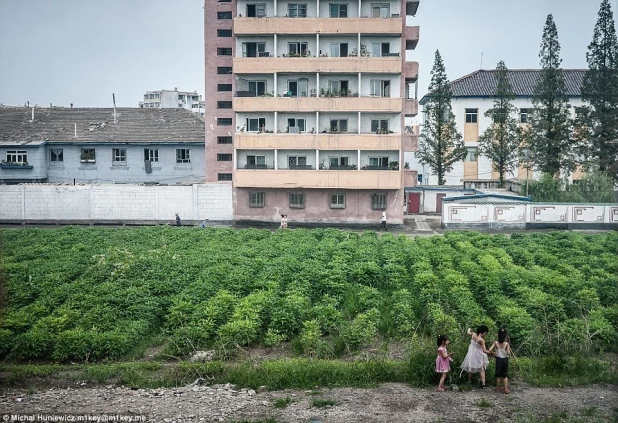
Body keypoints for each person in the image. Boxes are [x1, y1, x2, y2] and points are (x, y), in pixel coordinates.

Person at [489, 328, 511, 394]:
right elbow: (508, 353)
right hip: (505, 360)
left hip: (498, 359)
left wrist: (494, 354)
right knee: (505, 375)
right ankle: (506, 389)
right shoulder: (506, 344)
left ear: (498, 335)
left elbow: (490, 350)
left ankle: (498, 388)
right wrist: (507, 350)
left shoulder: (496, 343)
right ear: (505, 336)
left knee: (498, 375)